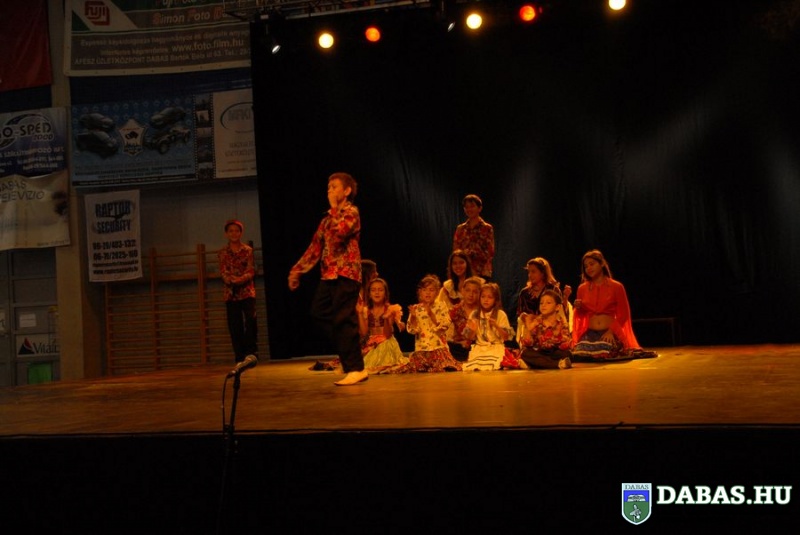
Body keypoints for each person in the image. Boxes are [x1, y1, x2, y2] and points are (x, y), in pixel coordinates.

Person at [288, 172, 367, 386]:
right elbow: (315, 248)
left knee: (344, 319)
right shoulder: (326, 220)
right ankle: (349, 352)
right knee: (318, 312)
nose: (329, 190)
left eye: (334, 187)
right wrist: (297, 270)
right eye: (328, 187)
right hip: (329, 274)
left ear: (347, 191)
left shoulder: (351, 212)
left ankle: (356, 368)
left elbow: (341, 234)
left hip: (347, 273)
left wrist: (334, 208)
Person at [572, 249, 656, 361]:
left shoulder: (617, 286)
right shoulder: (582, 288)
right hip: (590, 333)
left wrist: (611, 331)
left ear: (602, 263)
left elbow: (624, 314)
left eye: (592, 264)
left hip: (610, 332)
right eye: (586, 266)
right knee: (579, 353)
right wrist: (578, 308)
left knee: (606, 352)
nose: (589, 268)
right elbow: (582, 315)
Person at [392, 274, 461, 373]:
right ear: (420, 292)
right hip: (422, 349)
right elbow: (412, 330)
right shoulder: (416, 308)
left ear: (437, 292)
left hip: (438, 347)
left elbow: (444, 325)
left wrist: (431, 315)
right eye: (424, 290)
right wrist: (413, 317)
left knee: (443, 366)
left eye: (431, 290)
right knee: (417, 366)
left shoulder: (441, 306)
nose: (428, 293)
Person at [218, 219, 258, 363]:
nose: (234, 233)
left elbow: (250, 270)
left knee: (251, 320)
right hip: (231, 293)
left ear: (241, 233)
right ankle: (239, 356)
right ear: (226, 234)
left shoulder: (247, 250)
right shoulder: (223, 252)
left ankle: (251, 352)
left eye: (236, 231)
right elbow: (223, 271)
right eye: (231, 231)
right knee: (235, 325)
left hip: (247, 291)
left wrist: (239, 280)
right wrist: (230, 280)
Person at [515, 257, 571, 348]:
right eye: (529, 272)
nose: (530, 275)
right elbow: (520, 313)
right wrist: (528, 320)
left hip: (551, 329)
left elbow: (561, 312)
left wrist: (565, 299)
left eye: (533, 272)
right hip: (532, 329)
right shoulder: (524, 293)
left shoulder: (553, 289)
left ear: (543, 273)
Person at [462, 282, 516, 371]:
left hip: (495, 347)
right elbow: (469, 337)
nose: (486, 300)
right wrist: (473, 330)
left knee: (493, 363)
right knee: (475, 365)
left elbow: (506, 337)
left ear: (495, 300)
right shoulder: (475, 314)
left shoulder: (500, 314)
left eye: (489, 297)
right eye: (483, 297)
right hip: (480, 348)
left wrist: (496, 326)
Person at [358, 278, 408, 373]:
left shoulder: (390, 309)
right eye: (373, 290)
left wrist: (386, 318)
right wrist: (360, 314)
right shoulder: (366, 310)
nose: (377, 293)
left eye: (380, 290)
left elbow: (387, 335)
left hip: (386, 341)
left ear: (385, 293)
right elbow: (364, 333)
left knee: (384, 346)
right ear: (369, 294)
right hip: (372, 343)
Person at [520, 290, 573, 369]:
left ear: (557, 307)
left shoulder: (561, 323)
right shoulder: (536, 321)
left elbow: (565, 344)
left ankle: (537, 364)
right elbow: (528, 343)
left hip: (554, 352)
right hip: (540, 351)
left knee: (567, 354)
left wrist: (558, 337)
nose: (543, 305)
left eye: (548, 303)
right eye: (541, 303)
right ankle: (557, 364)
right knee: (525, 353)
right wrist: (529, 328)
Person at [452, 194, 495, 279]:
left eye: (472, 206)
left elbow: (490, 252)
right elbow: (456, 251)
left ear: (480, 208)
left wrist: (471, 253)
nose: (469, 209)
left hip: (481, 271)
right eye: (466, 207)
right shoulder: (460, 229)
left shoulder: (487, 228)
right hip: (463, 271)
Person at [446, 276, 483, 361]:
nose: (471, 295)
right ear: (462, 291)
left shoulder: (483, 311)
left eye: (475, 292)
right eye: (468, 290)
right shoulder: (454, 310)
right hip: (459, 349)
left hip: (479, 347)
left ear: (479, 294)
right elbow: (445, 331)